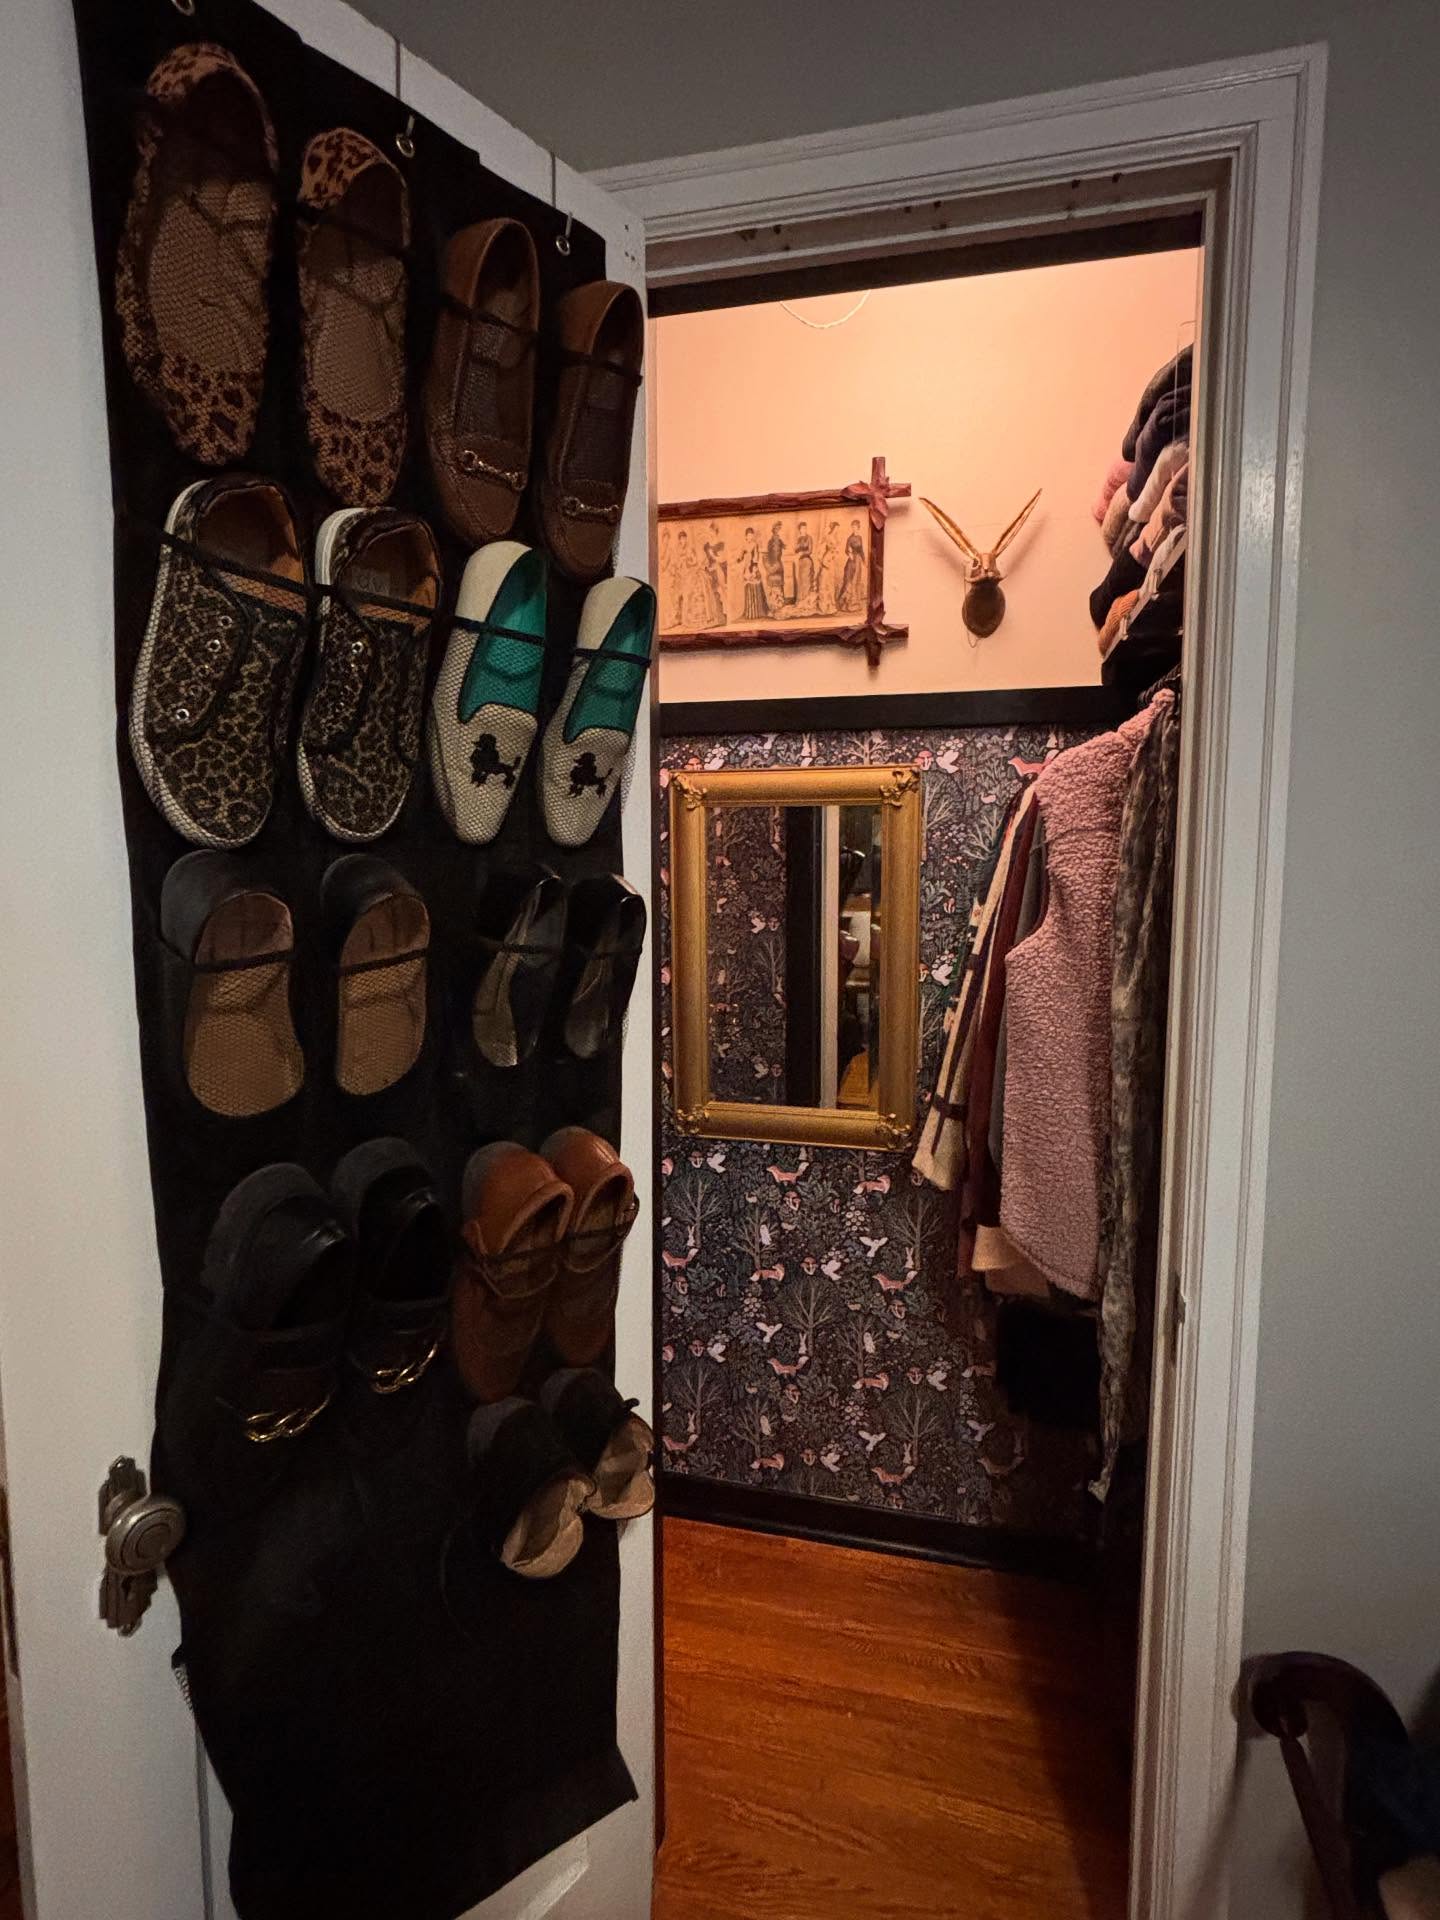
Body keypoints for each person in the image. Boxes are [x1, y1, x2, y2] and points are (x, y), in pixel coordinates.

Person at [738, 525, 769, 619]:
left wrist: (754, 570)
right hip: (746, 568)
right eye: (749, 535)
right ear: (746, 536)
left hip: (753, 567)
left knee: (755, 587)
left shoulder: (755, 545)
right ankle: (749, 612)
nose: (750, 537)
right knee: (747, 587)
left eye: (752, 535)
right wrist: (738, 560)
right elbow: (740, 556)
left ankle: (757, 612)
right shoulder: (743, 546)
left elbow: (756, 557)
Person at [702, 523, 728, 627]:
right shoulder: (706, 546)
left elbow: (722, 559)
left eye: (711, 531)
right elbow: (706, 560)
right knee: (712, 593)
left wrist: (713, 555)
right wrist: (704, 566)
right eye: (709, 532)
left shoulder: (721, 544)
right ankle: (716, 618)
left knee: (721, 592)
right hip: (710, 571)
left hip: (719, 570)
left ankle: (724, 617)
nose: (710, 534)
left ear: (715, 531)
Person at [839, 516, 866, 612]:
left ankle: (856, 603)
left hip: (858, 560)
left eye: (855, 526)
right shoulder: (850, 538)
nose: (854, 528)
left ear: (858, 527)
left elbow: (861, 550)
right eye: (852, 526)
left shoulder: (860, 537)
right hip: (852, 560)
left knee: (857, 580)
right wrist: (849, 554)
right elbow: (846, 550)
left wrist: (864, 561)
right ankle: (848, 603)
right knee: (850, 579)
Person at [815, 520, 841, 614]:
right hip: (826, 560)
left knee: (830, 583)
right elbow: (820, 550)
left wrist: (836, 554)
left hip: (832, 562)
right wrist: (822, 561)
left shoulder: (836, 538)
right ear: (833, 528)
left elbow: (837, 550)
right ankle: (823, 606)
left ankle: (830, 605)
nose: (837, 531)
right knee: (824, 582)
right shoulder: (827, 537)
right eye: (836, 529)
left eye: (838, 529)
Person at [792, 518, 816, 614]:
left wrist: (801, 553)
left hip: (807, 561)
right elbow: (795, 550)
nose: (804, 530)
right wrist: (797, 549)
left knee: (806, 581)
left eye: (805, 528)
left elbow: (810, 551)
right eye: (802, 529)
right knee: (801, 581)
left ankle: (807, 603)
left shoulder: (809, 538)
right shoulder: (799, 539)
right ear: (800, 530)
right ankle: (801, 601)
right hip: (800, 562)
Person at [764, 520, 788, 612]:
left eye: (779, 530)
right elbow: (770, 554)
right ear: (774, 531)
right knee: (774, 583)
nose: (778, 532)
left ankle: (778, 604)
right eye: (777, 530)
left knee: (778, 583)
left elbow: (784, 547)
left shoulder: (778, 541)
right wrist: (771, 565)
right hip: (774, 564)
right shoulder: (772, 542)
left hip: (777, 564)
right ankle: (775, 605)